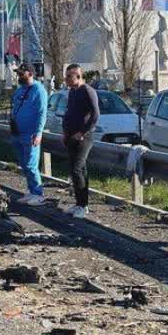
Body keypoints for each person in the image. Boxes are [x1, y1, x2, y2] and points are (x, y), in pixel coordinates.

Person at [60, 64, 99, 219]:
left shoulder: (88, 91)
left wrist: (82, 132)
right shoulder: (72, 92)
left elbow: (95, 115)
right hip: (70, 136)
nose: (66, 79)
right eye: (66, 76)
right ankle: (79, 203)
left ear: (77, 76)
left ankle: (83, 206)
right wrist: (65, 132)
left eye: (69, 76)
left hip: (83, 137)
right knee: (76, 170)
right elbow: (69, 112)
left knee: (77, 170)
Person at [9, 62, 49, 206]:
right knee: (24, 164)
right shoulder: (20, 90)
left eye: (21, 73)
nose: (18, 76)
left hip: (30, 133)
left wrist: (38, 133)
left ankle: (38, 194)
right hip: (17, 132)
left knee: (31, 165)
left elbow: (42, 113)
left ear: (30, 74)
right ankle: (31, 190)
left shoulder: (39, 90)